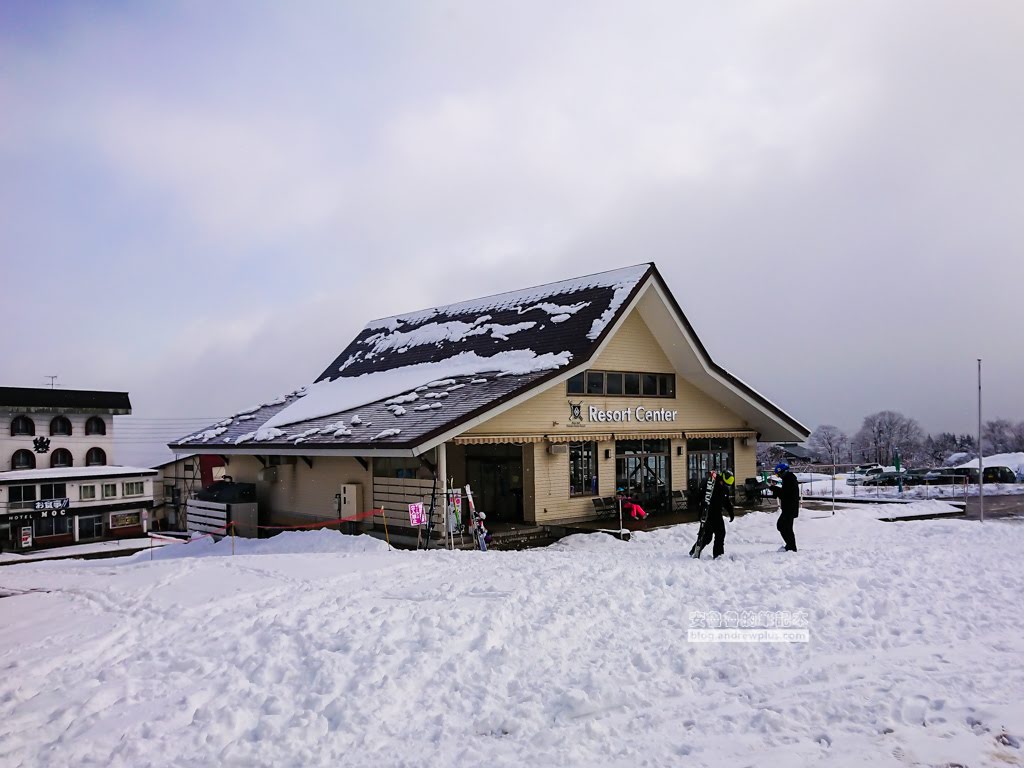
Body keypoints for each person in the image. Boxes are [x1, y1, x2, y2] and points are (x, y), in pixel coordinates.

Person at [696, 469, 735, 558]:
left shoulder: (724, 489)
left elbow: (726, 501)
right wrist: (700, 509)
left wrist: (731, 512)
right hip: (708, 513)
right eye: (724, 483)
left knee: (719, 534)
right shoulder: (711, 485)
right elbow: (700, 497)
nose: (725, 486)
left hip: (717, 513)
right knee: (708, 536)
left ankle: (718, 554)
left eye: (727, 485)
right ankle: (696, 550)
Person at [770, 462, 800, 552]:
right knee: (785, 527)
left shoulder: (789, 480)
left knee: (783, 526)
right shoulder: (788, 479)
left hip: (790, 508)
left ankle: (791, 547)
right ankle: (790, 546)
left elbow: (785, 494)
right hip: (788, 508)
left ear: (783, 472)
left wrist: (775, 489)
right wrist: (776, 490)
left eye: (778, 474)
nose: (778, 476)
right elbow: (784, 493)